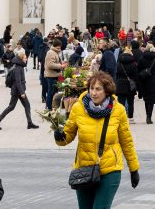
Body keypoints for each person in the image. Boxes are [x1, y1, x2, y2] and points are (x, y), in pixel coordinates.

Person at [54, 72, 140, 208]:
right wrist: (60, 137)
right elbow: (67, 136)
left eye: (98, 89)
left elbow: (126, 142)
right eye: (91, 88)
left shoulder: (118, 111)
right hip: (84, 168)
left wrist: (134, 169)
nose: (94, 93)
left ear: (107, 91)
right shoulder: (78, 108)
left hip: (109, 169)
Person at [0, 48, 38, 130]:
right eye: (25, 58)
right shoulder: (17, 68)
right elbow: (18, 82)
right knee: (12, 106)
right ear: (21, 58)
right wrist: (22, 93)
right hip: (18, 91)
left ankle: (29, 123)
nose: (26, 59)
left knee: (23, 106)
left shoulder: (19, 66)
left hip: (18, 90)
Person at [136, 43, 155, 124]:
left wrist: (139, 80)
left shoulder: (142, 58)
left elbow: (138, 69)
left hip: (144, 80)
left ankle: (147, 115)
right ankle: (149, 117)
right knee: (151, 100)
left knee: (146, 99)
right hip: (154, 81)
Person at [115, 44, 139, 121]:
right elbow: (136, 75)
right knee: (130, 102)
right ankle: (130, 118)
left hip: (120, 84)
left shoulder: (119, 63)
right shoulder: (133, 64)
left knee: (121, 102)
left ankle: (121, 117)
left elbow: (117, 73)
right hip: (130, 85)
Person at [43, 38, 64, 108]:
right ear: (56, 46)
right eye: (59, 47)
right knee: (50, 93)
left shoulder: (55, 52)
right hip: (51, 76)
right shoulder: (51, 53)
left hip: (54, 75)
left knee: (53, 92)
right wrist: (61, 66)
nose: (60, 48)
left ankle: (52, 106)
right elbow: (50, 65)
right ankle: (49, 108)